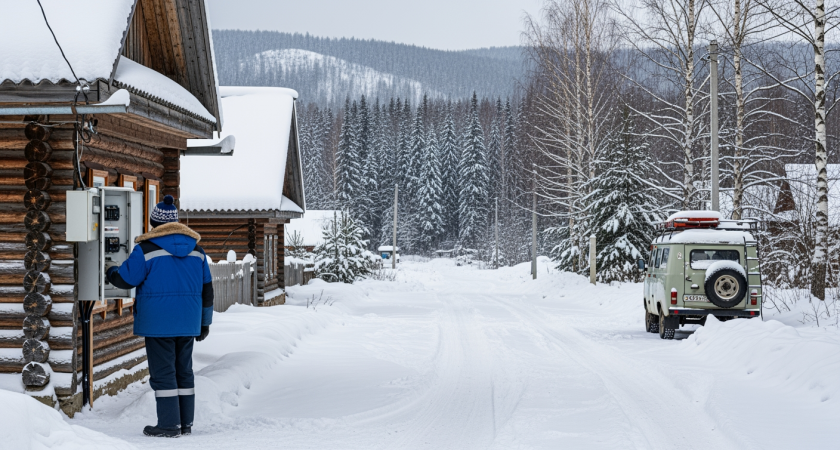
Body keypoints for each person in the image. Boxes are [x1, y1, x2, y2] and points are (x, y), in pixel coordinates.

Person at [105, 195, 213, 438]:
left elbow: (125, 279)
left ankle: (168, 425)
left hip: (159, 323)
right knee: (183, 371)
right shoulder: (197, 251)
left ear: (154, 224)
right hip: (188, 322)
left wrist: (110, 270)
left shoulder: (146, 249)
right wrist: (205, 322)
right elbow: (208, 289)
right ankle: (185, 424)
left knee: (163, 372)